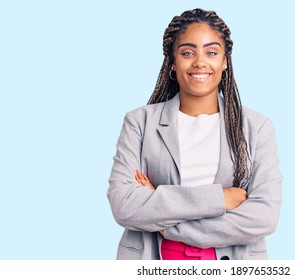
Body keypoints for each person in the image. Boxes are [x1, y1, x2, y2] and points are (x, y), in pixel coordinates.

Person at [107, 8, 282, 260]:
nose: (200, 62)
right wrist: (220, 198)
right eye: (187, 52)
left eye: (211, 52)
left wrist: (166, 223)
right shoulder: (140, 122)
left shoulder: (257, 126)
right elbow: (124, 205)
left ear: (224, 61)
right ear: (173, 61)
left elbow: (264, 216)